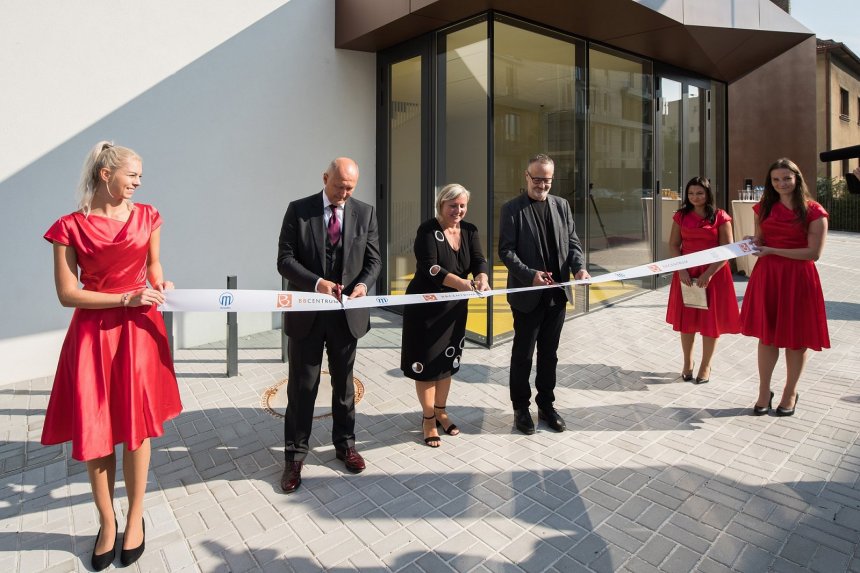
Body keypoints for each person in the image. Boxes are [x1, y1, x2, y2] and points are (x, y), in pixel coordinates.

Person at [42, 141, 182, 570]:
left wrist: (162, 283)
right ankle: (107, 521)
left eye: (140, 177)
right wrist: (125, 298)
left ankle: (135, 517)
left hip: (140, 332)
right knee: (97, 430)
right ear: (106, 174)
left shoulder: (148, 216)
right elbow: (68, 294)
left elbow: (153, 266)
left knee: (137, 428)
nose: (138, 183)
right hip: (92, 335)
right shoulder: (69, 226)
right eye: (132, 175)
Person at [276, 157, 381, 493]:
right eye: (339, 186)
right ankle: (294, 456)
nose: (344, 194)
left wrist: (364, 285)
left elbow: (374, 259)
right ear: (325, 178)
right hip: (307, 314)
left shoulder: (365, 212)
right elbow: (285, 260)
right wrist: (318, 283)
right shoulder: (299, 210)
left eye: (350, 188)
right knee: (302, 388)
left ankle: (345, 445)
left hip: (346, 317)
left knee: (344, 386)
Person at [499, 154, 591, 435]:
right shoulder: (512, 209)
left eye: (547, 180)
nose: (542, 184)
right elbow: (506, 251)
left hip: (557, 294)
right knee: (523, 355)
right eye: (537, 178)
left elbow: (573, 242)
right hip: (528, 295)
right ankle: (520, 408)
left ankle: (547, 406)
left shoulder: (561, 206)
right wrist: (530, 275)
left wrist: (580, 269)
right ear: (526, 176)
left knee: (549, 355)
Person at [400, 184, 490, 447]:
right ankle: (428, 418)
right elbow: (430, 268)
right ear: (441, 204)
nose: (458, 210)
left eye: (462, 205)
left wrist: (482, 277)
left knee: (446, 362)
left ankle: (441, 410)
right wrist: (462, 284)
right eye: (453, 205)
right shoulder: (428, 230)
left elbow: (479, 260)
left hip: (454, 310)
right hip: (425, 309)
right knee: (427, 366)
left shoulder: (470, 231)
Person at [741, 158, 829, 417]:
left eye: (786, 178)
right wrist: (753, 242)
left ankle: (790, 392)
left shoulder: (814, 211)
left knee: (796, 340)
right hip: (768, 276)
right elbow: (761, 239)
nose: (781, 183)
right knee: (766, 337)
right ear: (770, 182)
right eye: (776, 179)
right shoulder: (764, 208)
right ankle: (763, 391)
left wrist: (771, 250)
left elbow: (813, 253)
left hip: (798, 278)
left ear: (797, 179)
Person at [665, 176, 741, 384]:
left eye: (699, 193)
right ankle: (687, 363)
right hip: (686, 273)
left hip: (713, 274)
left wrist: (708, 273)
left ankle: (706, 365)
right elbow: (673, 245)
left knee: (710, 323)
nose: (695, 197)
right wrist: (681, 270)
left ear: (707, 194)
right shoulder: (680, 216)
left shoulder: (720, 217)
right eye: (691, 193)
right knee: (686, 321)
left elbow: (728, 250)